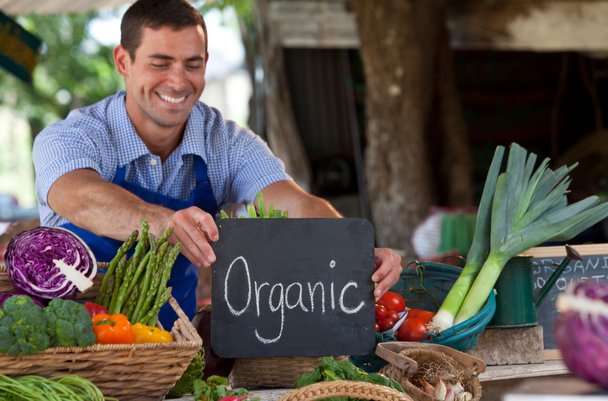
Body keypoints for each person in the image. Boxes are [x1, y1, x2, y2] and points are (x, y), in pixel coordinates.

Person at [32, 0, 402, 328]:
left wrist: (350, 247)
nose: (178, 82)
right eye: (160, 64)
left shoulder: (227, 143)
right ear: (123, 62)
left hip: (172, 353)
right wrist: (162, 223)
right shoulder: (72, 136)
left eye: (192, 65)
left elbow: (293, 202)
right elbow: (76, 195)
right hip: (72, 347)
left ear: (205, 63)